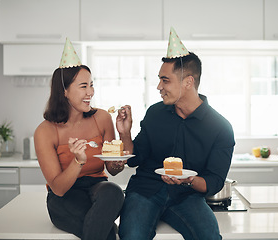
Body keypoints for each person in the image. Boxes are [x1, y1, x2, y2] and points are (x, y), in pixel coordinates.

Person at [115, 27, 235, 240]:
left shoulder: (221, 128)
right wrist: (125, 134)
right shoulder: (155, 113)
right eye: (160, 80)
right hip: (145, 191)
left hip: (187, 196)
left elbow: (213, 182)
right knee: (132, 236)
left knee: (209, 237)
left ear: (188, 82)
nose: (159, 86)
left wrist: (186, 180)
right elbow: (136, 159)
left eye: (165, 80)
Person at [34, 38, 124, 240]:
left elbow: (112, 170)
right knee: (107, 232)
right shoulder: (45, 131)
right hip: (64, 197)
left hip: (98, 188)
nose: (90, 92)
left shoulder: (102, 118)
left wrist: (118, 160)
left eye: (91, 85)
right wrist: (78, 161)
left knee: (114, 192)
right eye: (83, 86)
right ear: (64, 91)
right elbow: (58, 188)